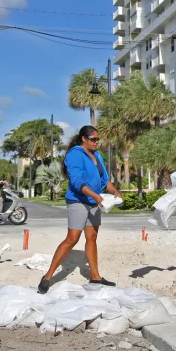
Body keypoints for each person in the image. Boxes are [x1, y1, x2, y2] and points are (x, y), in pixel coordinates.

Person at [38, 125, 122, 294]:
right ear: (84, 139)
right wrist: (96, 196)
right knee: (72, 238)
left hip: (94, 202)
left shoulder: (97, 155)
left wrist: (114, 192)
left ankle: (95, 276)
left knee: (92, 237)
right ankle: (47, 277)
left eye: (98, 139)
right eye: (93, 139)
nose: (96, 142)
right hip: (78, 201)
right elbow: (77, 182)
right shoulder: (75, 155)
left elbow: (104, 179)